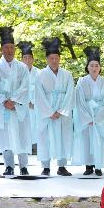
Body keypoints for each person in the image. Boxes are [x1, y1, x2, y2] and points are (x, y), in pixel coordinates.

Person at [0, 27, 32, 177]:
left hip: (17, 108)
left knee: (22, 136)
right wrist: (3, 101)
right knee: (5, 136)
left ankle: (24, 166)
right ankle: (9, 166)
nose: (9, 50)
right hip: (2, 107)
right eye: (6, 47)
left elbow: (25, 87)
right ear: (1, 49)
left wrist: (14, 101)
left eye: (12, 47)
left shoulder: (22, 67)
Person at [33, 37, 75, 176]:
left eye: (56, 58)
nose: (54, 61)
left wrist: (61, 111)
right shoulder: (40, 75)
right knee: (45, 137)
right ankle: (45, 166)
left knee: (64, 137)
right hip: (47, 113)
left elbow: (70, 93)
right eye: (51, 58)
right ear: (47, 59)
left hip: (62, 112)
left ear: (60, 58)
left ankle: (62, 166)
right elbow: (39, 95)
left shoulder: (67, 75)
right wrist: (50, 112)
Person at [72, 46, 104, 176]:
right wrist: (88, 118)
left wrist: (98, 117)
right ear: (87, 67)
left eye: (96, 65)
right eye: (91, 66)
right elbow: (79, 101)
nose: (94, 68)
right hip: (87, 117)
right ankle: (88, 166)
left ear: (100, 67)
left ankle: (98, 165)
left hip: (100, 118)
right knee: (87, 140)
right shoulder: (82, 82)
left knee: (99, 140)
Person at [18, 41, 41, 149]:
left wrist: (34, 102)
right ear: (22, 59)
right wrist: (26, 102)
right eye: (25, 58)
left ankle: (35, 146)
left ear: (33, 59)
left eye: (29, 58)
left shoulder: (39, 73)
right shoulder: (18, 72)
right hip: (23, 104)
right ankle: (24, 147)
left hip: (36, 105)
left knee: (36, 125)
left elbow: (42, 90)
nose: (27, 60)